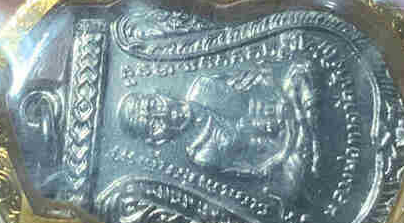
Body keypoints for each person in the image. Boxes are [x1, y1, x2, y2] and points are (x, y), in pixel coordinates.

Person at [119, 63, 321, 203]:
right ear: (157, 140)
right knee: (295, 186)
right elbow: (254, 171)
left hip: (286, 103)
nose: (163, 114)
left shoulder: (203, 87)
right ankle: (310, 129)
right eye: (154, 124)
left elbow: (256, 78)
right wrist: (281, 155)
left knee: (299, 71)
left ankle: (308, 122)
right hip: (287, 150)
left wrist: (270, 85)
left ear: (157, 94)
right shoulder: (203, 155)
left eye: (153, 105)